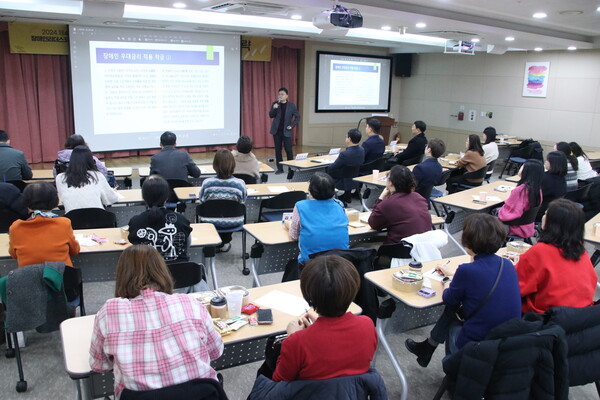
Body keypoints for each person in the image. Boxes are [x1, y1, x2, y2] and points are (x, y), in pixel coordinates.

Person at [89, 245, 223, 399]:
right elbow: (215, 351)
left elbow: (99, 365)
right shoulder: (190, 302)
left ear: (121, 276)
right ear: (162, 270)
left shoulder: (109, 311)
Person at [405, 213, 521, 366]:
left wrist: (447, 280)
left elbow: (449, 298)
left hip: (479, 342)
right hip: (510, 338)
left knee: (452, 309)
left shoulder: (467, 271)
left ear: (467, 240)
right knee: (460, 307)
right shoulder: (506, 264)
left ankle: (442, 358)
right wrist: (454, 274)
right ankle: (428, 347)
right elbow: (482, 277)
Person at [271, 255, 377, 381]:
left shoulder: (297, 342)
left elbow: (279, 379)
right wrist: (317, 330)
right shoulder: (367, 325)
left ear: (308, 295)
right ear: (354, 289)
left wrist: (292, 336)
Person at [516, 199, 597, 314]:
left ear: (553, 223)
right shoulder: (581, 251)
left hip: (547, 317)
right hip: (581, 315)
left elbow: (516, 287)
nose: (543, 217)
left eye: (546, 214)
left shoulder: (540, 251)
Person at [8, 181, 80, 268]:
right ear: (55, 201)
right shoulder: (63, 223)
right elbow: (74, 251)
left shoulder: (15, 227)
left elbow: (14, 254)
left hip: (28, 279)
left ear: (25, 202)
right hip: (60, 278)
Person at [285, 172, 348, 264]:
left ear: (310, 190)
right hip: (341, 262)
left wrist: (288, 224)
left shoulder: (300, 206)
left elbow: (293, 236)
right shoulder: (339, 204)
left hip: (310, 264)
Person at [128, 175, 192, 262]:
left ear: (144, 198)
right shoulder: (182, 220)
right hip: (179, 274)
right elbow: (187, 244)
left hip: (148, 274)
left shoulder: (135, 222)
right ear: (166, 197)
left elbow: (134, 247)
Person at [198, 149, 247, 253]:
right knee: (226, 213)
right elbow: (242, 201)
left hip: (209, 222)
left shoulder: (207, 183)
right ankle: (224, 242)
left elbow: (201, 201)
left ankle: (215, 242)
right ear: (233, 165)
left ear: (214, 165)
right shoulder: (240, 184)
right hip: (234, 221)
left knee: (215, 213)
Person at [368, 165, 431, 244]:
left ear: (391, 183)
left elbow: (373, 223)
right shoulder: (419, 197)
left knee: (362, 247)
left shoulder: (389, 203)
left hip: (400, 250)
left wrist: (381, 198)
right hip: (424, 248)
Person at [55, 145, 119, 213]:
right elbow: (111, 199)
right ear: (91, 160)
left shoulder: (60, 178)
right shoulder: (97, 176)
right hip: (98, 220)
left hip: (73, 221)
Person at [497, 160, 543, 239]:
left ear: (527, 171)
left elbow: (508, 215)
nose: (520, 168)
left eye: (522, 166)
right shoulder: (538, 189)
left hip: (516, 227)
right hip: (528, 225)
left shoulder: (520, 191)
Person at [326, 128, 365, 202]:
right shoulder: (362, 150)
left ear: (349, 138)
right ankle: (347, 197)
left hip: (342, 181)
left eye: (346, 136)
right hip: (354, 179)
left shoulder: (345, 154)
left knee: (326, 171)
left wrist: (328, 167)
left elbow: (332, 168)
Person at [269, 87, 300, 175]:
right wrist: (274, 108)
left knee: (288, 150)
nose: (280, 96)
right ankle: (280, 168)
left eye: (282, 94)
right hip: (276, 131)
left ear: (287, 96)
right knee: (278, 150)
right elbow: (271, 115)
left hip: (286, 131)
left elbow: (298, 117)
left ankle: (291, 168)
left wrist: (292, 125)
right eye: (279, 94)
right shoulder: (275, 104)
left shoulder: (291, 105)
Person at [537, 151, 567, 221]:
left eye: (547, 160)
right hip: (553, 212)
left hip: (539, 213)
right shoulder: (562, 177)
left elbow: (531, 196)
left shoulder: (545, 178)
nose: (545, 162)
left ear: (553, 164)